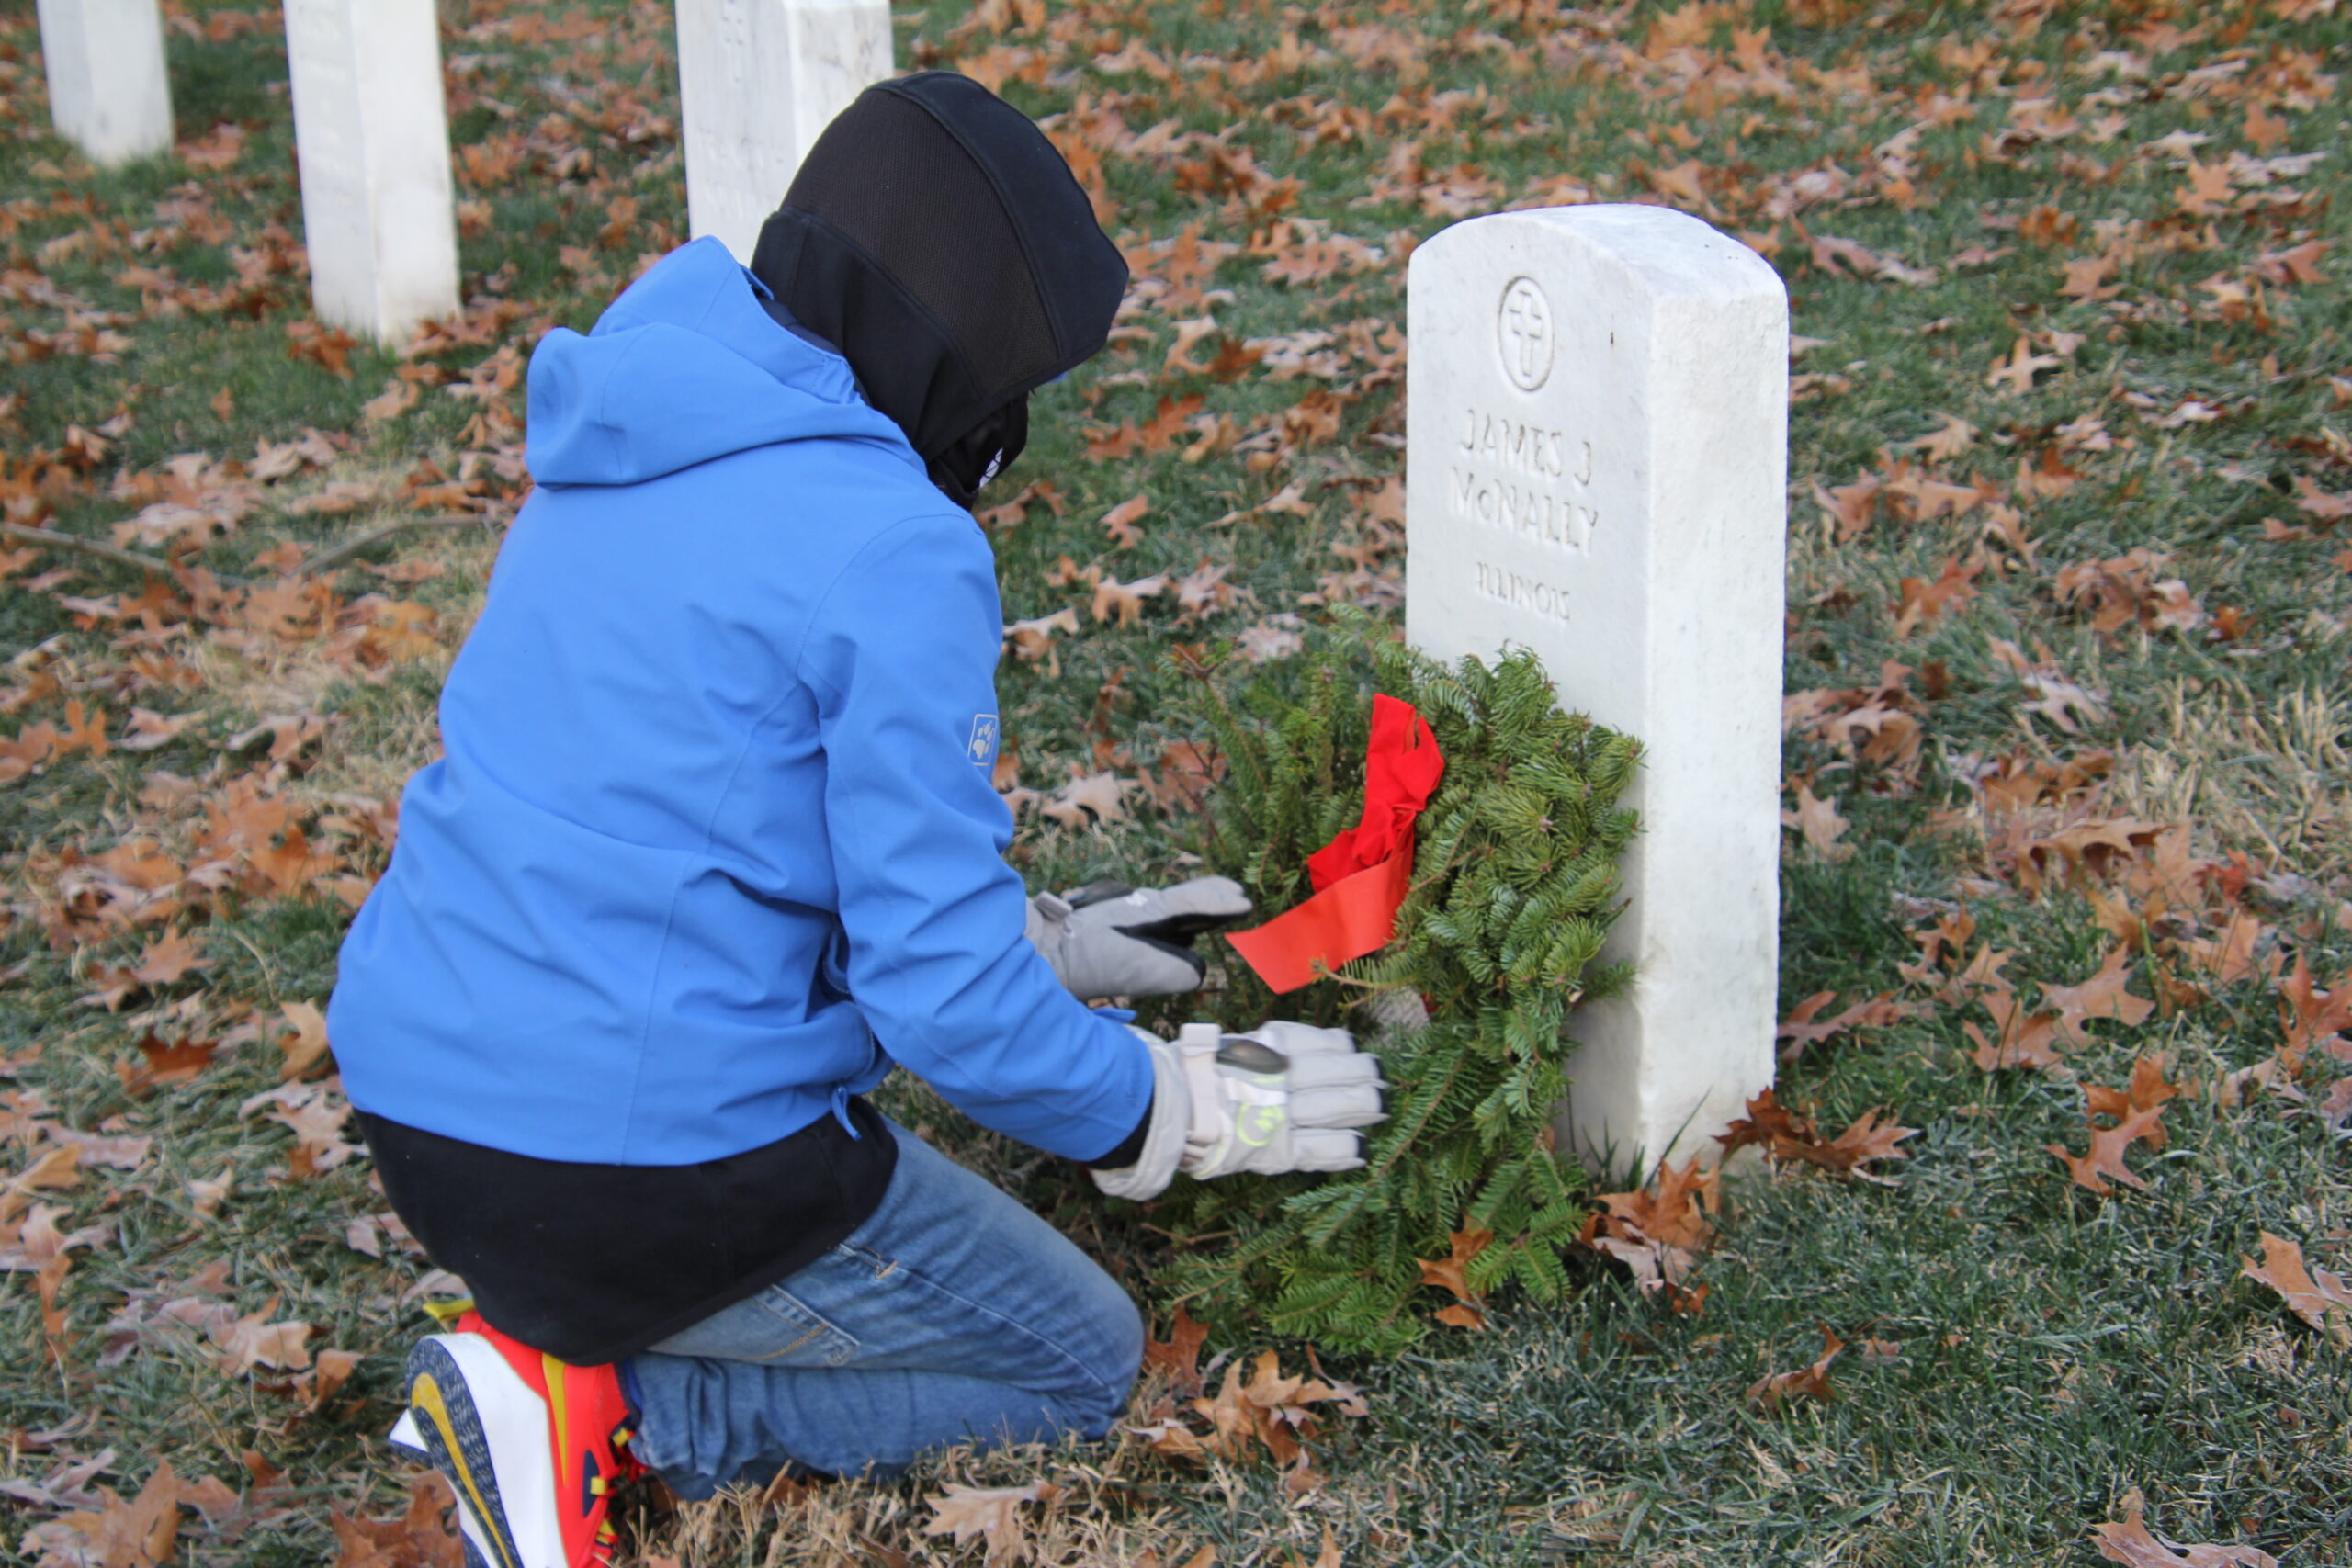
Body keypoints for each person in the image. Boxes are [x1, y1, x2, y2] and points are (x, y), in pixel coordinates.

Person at [327, 73, 1386, 1568]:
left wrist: (1051, 946)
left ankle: (554, 1321)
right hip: (633, 1161)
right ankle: (601, 1407)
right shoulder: (890, 543)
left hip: (423, 1093)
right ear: (958, 358)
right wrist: (1175, 1112)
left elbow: (696, 812)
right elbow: (941, 1006)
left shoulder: (643, 408)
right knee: (1076, 1363)